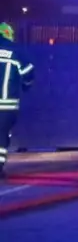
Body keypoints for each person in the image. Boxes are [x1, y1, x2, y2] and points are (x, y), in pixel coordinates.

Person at [0, 22, 36, 180]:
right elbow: (28, 72)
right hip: (7, 106)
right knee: (1, 136)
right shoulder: (16, 51)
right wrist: (26, 86)